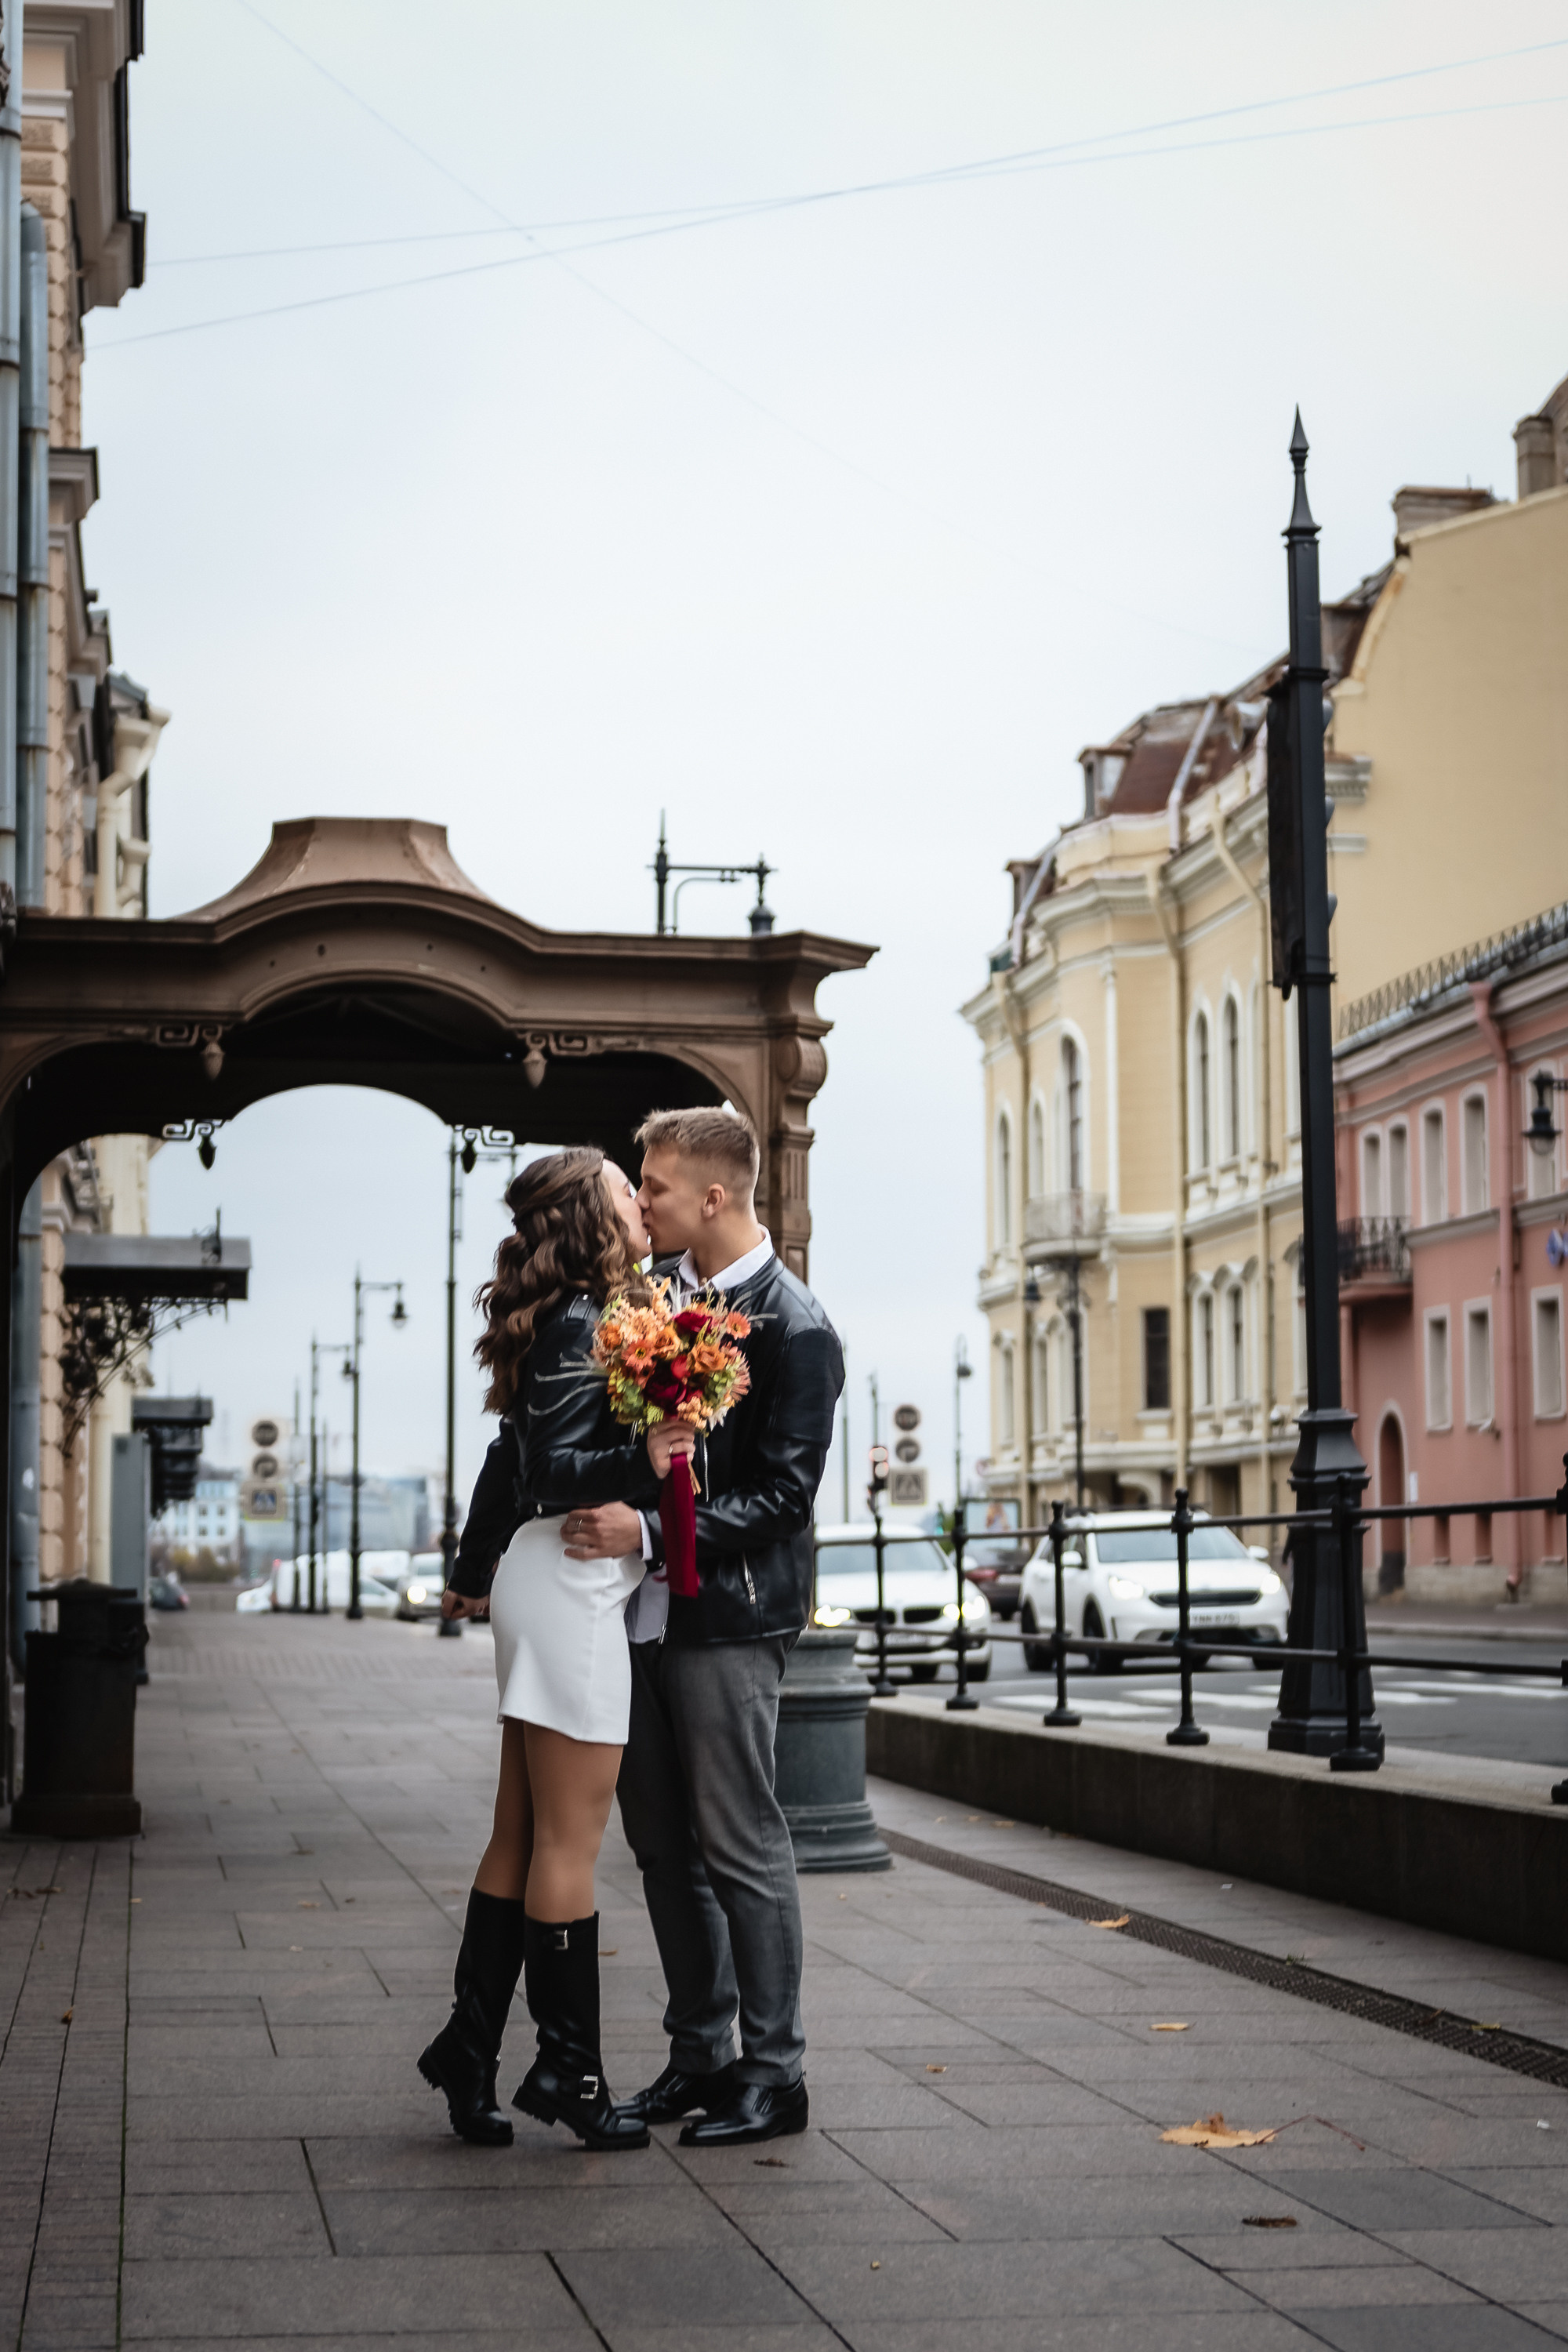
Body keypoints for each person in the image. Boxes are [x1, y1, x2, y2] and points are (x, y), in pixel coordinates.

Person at [560, 1106, 844, 2148]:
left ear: (713, 1197)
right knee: (664, 1849)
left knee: (741, 1844)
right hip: (645, 1615)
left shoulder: (796, 1325)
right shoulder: (658, 1305)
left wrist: (650, 1524)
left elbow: (785, 1499)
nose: (645, 1200)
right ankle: (700, 2059)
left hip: (730, 1620)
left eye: (659, 1186)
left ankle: (777, 2075)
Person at [417, 1148, 687, 2152]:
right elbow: (555, 1466)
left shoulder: (578, 1314)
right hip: (570, 1586)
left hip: (543, 1576)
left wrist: (473, 1561)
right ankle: (569, 2073)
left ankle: (468, 2047)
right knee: (568, 1848)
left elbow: (507, 1455)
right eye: (627, 1184)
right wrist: (648, 1456)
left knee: (520, 1835)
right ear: (594, 1212)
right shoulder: (587, 1318)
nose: (640, 1195)